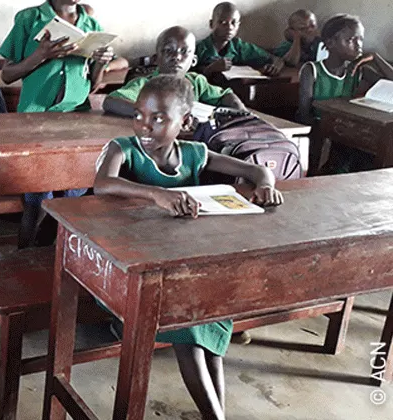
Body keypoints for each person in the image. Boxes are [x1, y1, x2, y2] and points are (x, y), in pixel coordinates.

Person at [95, 74, 283, 420]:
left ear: (185, 122)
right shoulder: (122, 149)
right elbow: (102, 185)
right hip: (130, 273)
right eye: (138, 115)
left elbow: (257, 171)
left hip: (180, 268)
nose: (144, 126)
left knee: (206, 318)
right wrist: (156, 194)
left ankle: (217, 414)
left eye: (159, 118)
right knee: (190, 324)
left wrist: (267, 187)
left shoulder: (196, 153)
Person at [0, 0, 126, 247]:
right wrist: (40, 55)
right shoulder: (29, 20)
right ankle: (23, 261)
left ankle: (56, 262)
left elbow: (93, 85)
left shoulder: (91, 25)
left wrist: (100, 64)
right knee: (36, 200)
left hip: (76, 123)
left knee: (72, 201)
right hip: (34, 123)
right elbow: (6, 74)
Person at [297, 13, 393, 173]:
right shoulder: (312, 70)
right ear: (330, 43)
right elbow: (304, 113)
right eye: (350, 40)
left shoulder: (358, 71)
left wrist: (376, 58)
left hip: (349, 133)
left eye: (360, 39)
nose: (358, 45)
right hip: (321, 133)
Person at [103, 26, 245, 117]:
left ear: (193, 61)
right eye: (168, 51)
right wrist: (159, 115)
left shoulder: (196, 82)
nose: (176, 57)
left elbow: (226, 96)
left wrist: (243, 114)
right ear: (156, 59)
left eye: (184, 52)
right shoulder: (146, 84)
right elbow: (111, 102)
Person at [195, 2, 284, 77]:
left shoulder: (239, 46)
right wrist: (210, 69)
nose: (229, 27)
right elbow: (189, 77)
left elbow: (275, 59)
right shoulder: (200, 49)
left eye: (233, 23)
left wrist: (275, 67)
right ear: (211, 24)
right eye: (223, 23)